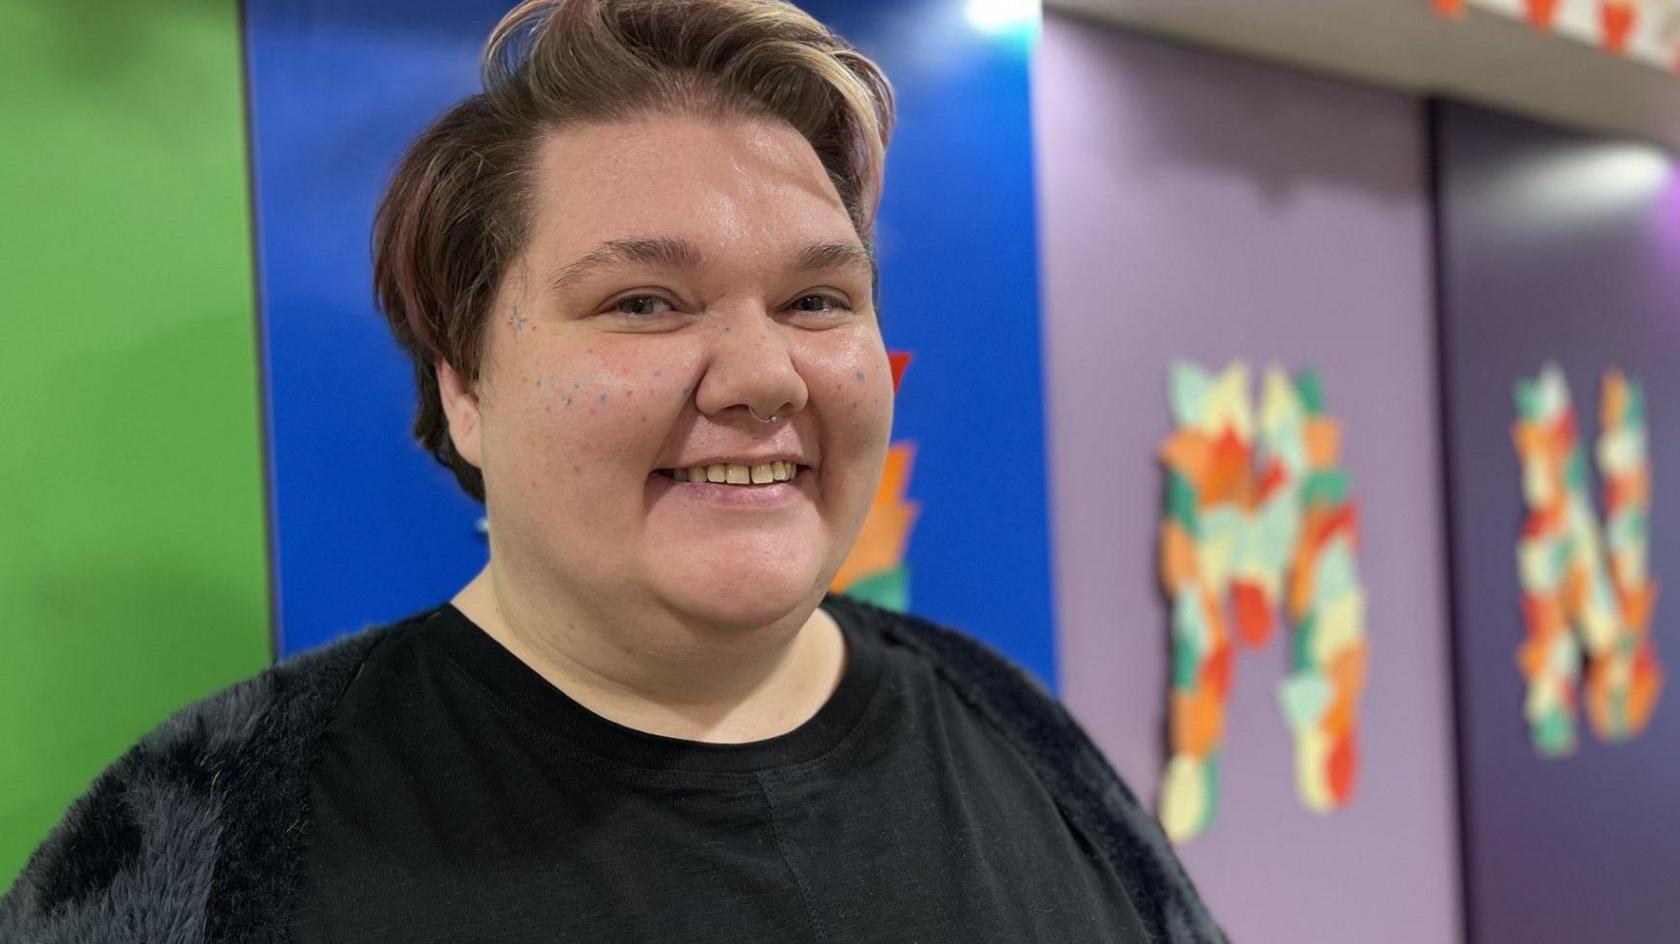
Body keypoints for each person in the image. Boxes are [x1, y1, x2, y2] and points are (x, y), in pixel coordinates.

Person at [1, 1, 1223, 941]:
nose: (762, 374)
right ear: (463, 387)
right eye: (643, 301)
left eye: (815, 298)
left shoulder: (1031, 745)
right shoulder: (200, 838)